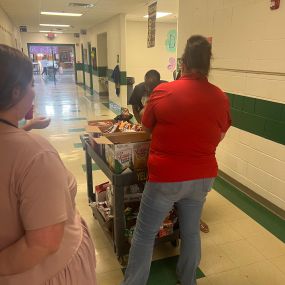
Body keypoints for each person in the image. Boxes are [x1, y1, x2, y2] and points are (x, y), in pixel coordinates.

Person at [121, 35, 231, 285]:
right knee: (191, 231)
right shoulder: (220, 97)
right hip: (203, 177)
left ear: (183, 63)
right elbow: (221, 134)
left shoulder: (164, 91)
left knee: (145, 233)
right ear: (207, 65)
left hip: (166, 178)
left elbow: (146, 127)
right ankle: (188, 279)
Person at [0, 45, 96, 285]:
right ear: (15, 92)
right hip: (48, 273)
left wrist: (26, 127)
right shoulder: (37, 154)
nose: (34, 92)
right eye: (31, 85)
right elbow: (44, 242)